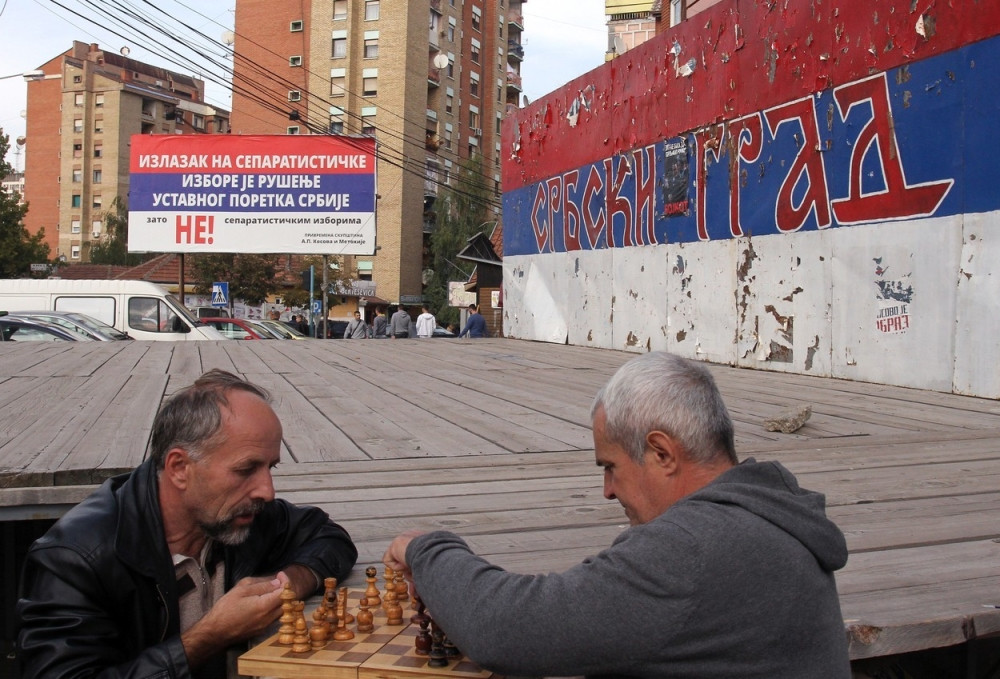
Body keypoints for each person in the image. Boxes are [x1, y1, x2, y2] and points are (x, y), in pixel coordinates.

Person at [383, 352, 851, 679]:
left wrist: (429, 548)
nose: (607, 491)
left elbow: (507, 629)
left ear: (663, 453)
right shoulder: (770, 516)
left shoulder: (692, 549)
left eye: (610, 467)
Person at [18, 369, 358, 679]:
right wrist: (210, 635)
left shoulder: (239, 512)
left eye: (271, 467)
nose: (267, 491)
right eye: (245, 469)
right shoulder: (75, 558)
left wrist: (288, 584)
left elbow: (328, 536)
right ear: (180, 467)